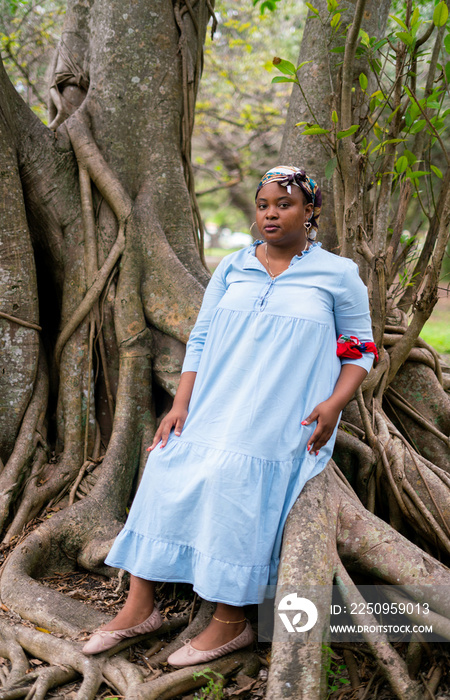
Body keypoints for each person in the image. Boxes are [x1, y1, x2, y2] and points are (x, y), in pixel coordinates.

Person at [82, 166, 377, 665]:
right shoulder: (234, 266)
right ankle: (139, 607)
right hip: (218, 405)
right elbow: (200, 337)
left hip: (287, 416)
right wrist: (180, 406)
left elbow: (360, 350)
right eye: (263, 205)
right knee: (165, 466)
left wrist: (334, 404)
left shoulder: (337, 274)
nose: (270, 213)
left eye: (283, 204)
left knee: (234, 483)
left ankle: (231, 621)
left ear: (310, 212)